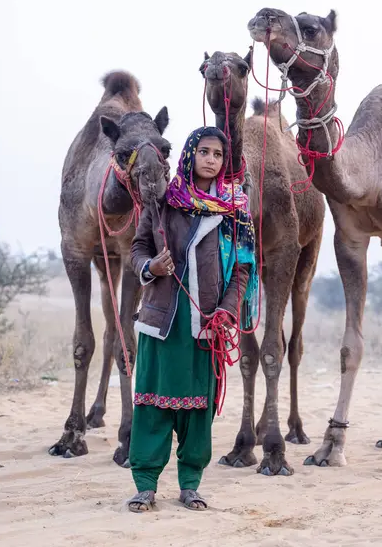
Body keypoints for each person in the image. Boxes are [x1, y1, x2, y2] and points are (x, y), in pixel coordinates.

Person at [128, 126, 257, 513]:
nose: (211, 160)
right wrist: (151, 266)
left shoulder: (235, 210)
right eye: (204, 151)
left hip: (207, 325)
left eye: (218, 154)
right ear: (190, 154)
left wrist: (228, 311)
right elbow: (138, 247)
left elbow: (242, 268)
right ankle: (145, 485)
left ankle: (189, 485)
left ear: (224, 162)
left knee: (197, 410)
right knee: (152, 407)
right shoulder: (163, 202)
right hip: (161, 318)